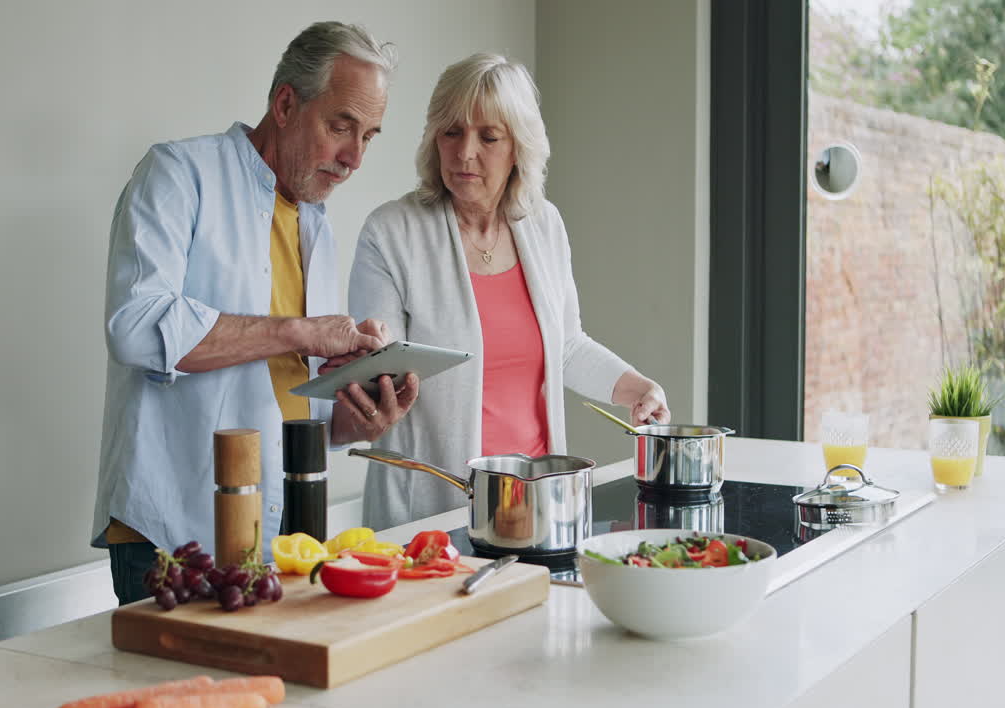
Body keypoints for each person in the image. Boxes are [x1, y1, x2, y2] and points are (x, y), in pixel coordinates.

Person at [95, 22, 418, 605]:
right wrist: (299, 329)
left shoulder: (315, 225)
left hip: (278, 541)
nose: (354, 157)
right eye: (341, 126)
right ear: (286, 102)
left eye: (369, 136)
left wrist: (356, 420)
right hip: (171, 537)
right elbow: (137, 328)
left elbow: (290, 399)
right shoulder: (177, 175)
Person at [348, 53, 671, 530]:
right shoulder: (391, 232)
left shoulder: (543, 224)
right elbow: (382, 368)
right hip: (435, 512)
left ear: (519, 145)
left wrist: (636, 388)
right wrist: (375, 368)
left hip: (539, 504)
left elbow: (566, 348)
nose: (464, 152)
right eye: (451, 131)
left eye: (488, 136)